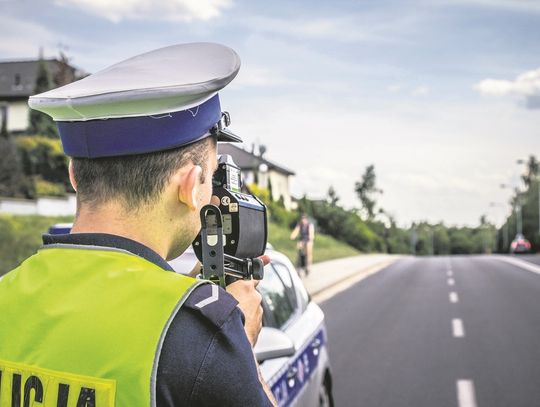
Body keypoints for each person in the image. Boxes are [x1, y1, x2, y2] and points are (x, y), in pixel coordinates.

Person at [0, 43, 277, 406]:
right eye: (210, 178)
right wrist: (240, 347)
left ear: (74, 176)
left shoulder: (8, 292)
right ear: (191, 186)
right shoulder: (200, 335)